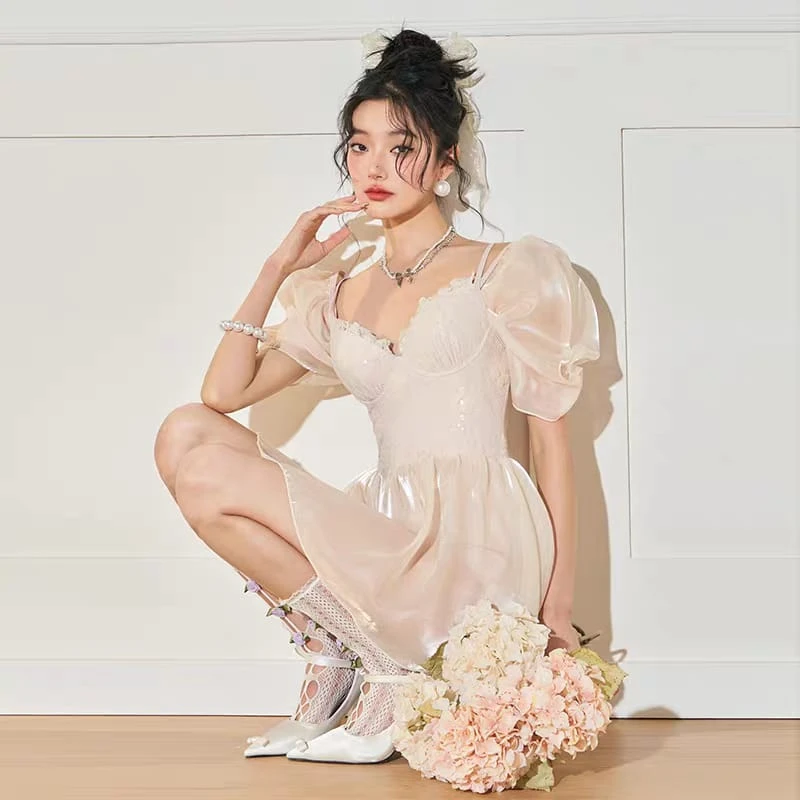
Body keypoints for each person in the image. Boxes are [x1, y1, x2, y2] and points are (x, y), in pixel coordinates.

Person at [153, 27, 601, 766]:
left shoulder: (506, 271)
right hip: (387, 522)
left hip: (473, 537)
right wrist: (276, 266)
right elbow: (222, 393)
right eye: (360, 145)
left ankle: (385, 666)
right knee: (184, 434)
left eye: (402, 145)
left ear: (447, 161)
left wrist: (558, 607)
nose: (375, 165)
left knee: (202, 466)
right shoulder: (336, 292)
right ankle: (343, 652)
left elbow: (552, 447)